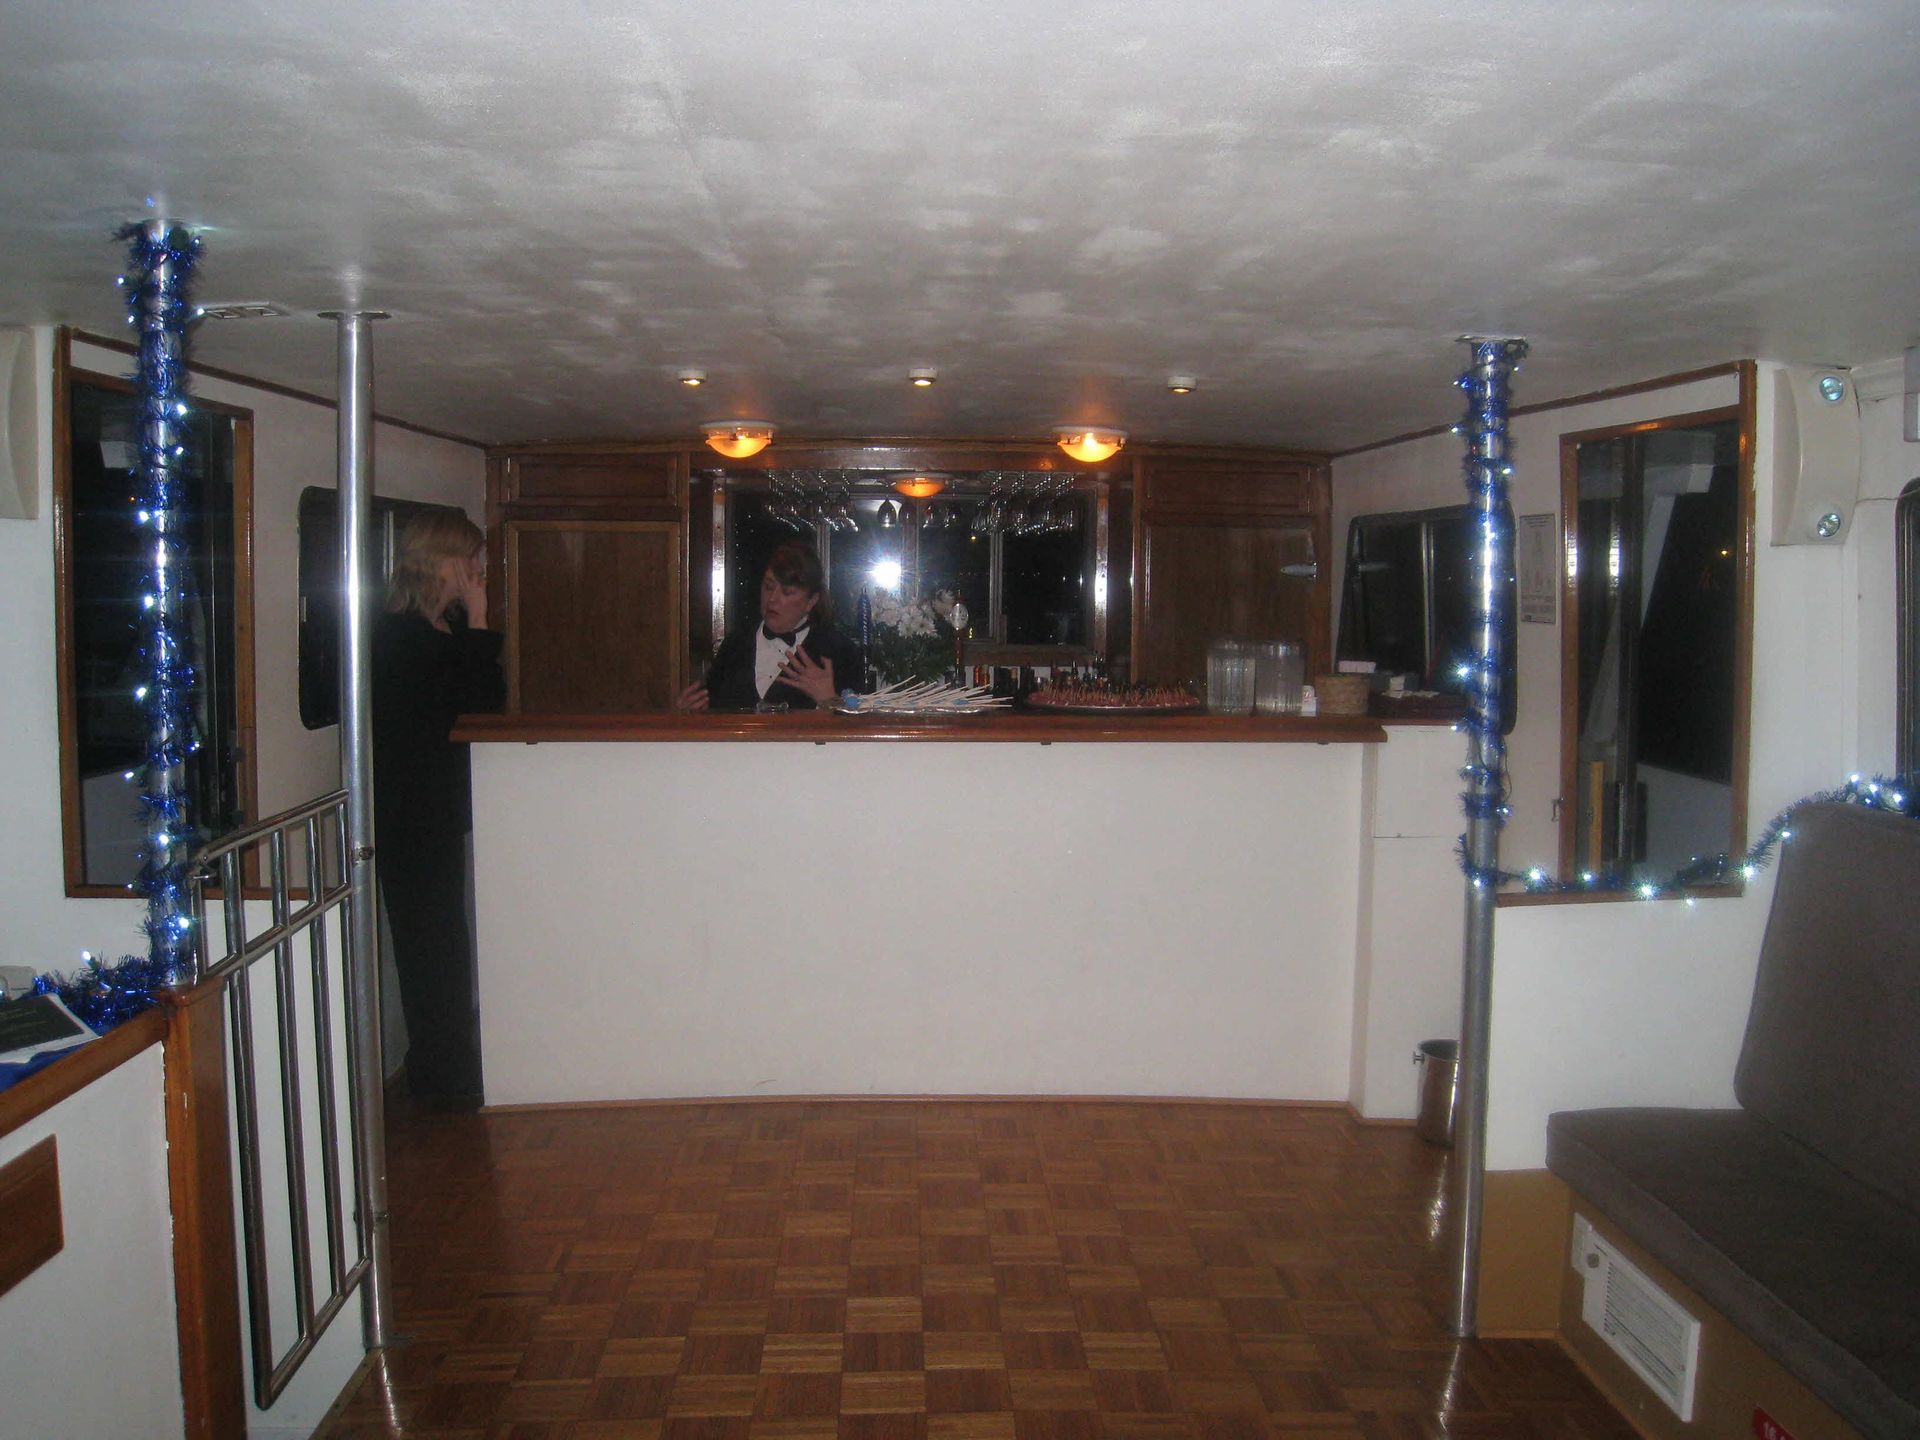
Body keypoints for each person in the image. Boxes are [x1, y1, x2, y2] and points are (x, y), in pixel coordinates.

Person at [371, 510, 506, 1111]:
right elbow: (472, 709)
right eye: (470, 560)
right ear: (443, 562)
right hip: (410, 808)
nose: (478, 571)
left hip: (437, 804)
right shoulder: (400, 635)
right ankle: (438, 1071)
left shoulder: (438, 629)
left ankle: (446, 1059)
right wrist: (480, 623)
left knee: (447, 938)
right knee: (429, 943)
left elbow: (482, 708)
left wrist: (471, 628)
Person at [678, 539, 861, 711]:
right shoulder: (735, 645)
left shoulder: (838, 651)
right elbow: (712, 711)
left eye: (787, 592)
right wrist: (687, 714)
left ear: (811, 601)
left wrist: (828, 699)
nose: (772, 599)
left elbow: (860, 731)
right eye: (768, 587)